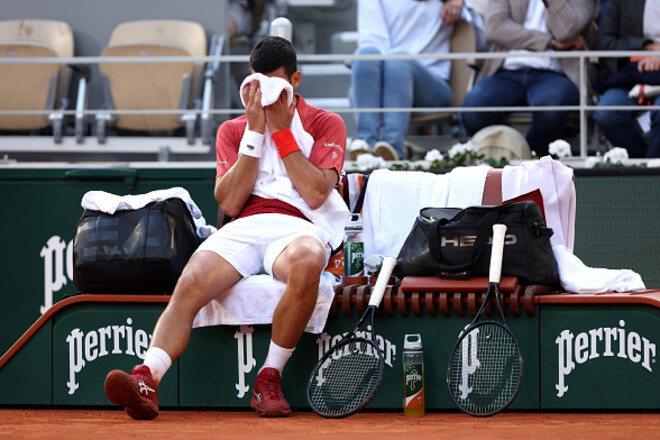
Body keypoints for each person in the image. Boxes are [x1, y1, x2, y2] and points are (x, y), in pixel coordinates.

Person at [103, 36, 348, 419]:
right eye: (256, 84)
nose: (264, 95)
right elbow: (230, 202)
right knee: (190, 279)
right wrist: (254, 132)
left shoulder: (325, 122)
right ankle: (147, 378)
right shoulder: (233, 130)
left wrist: (282, 132)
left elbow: (317, 193)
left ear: (295, 81)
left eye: (275, 85)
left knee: (307, 261)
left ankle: (269, 377)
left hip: (298, 225)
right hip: (246, 225)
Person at [348, 0, 485, 161]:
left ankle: (392, 149)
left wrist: (459, 2)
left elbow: (480, 39)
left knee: (398, 59)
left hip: (433, 86)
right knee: (366, 54)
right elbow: (372, 41)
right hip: (387, 81)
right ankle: (366, 148)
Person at [460, 0, 597, 157]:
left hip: (556, 73)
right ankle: (508, 154)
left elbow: (567, 32)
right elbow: (494, 28)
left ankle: (528, 162)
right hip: (507, 71)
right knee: (473, 111)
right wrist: (549, 42)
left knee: (550, 112)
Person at [592, 0, 660, 158]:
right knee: (606, 113)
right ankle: (643, 167)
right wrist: (646, 47)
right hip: (629, 76)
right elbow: (603, 42)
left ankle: (652, 170)